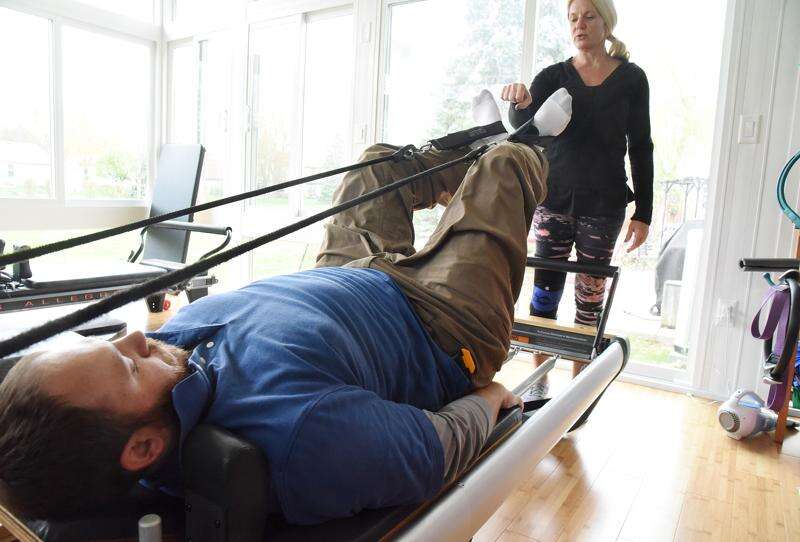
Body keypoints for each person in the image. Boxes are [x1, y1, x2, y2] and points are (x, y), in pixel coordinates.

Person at [0, 133, 549, 525]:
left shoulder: (166, 366)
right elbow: (434, 449)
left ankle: (476, 152)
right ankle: (521, 142)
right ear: (144, 447)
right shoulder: (302, 437)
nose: (139, 338)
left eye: (111, 342)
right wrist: (490, 398)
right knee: (509, 165)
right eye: (128, 365)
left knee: (379, 164)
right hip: (441, 323)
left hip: (348, 272)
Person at [500, 0, 653, 396]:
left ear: (606, 22)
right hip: (553, 201)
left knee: (589, 301)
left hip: (604, 206)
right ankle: (538, 387)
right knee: (544, 294)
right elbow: (525, 128)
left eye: (588, 16)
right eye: (572, 18)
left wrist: (645, 211)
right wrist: (519, 102)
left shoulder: (632, 79)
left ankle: (577, 394)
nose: (579, 25)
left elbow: (641, 146)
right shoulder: (553, 76)